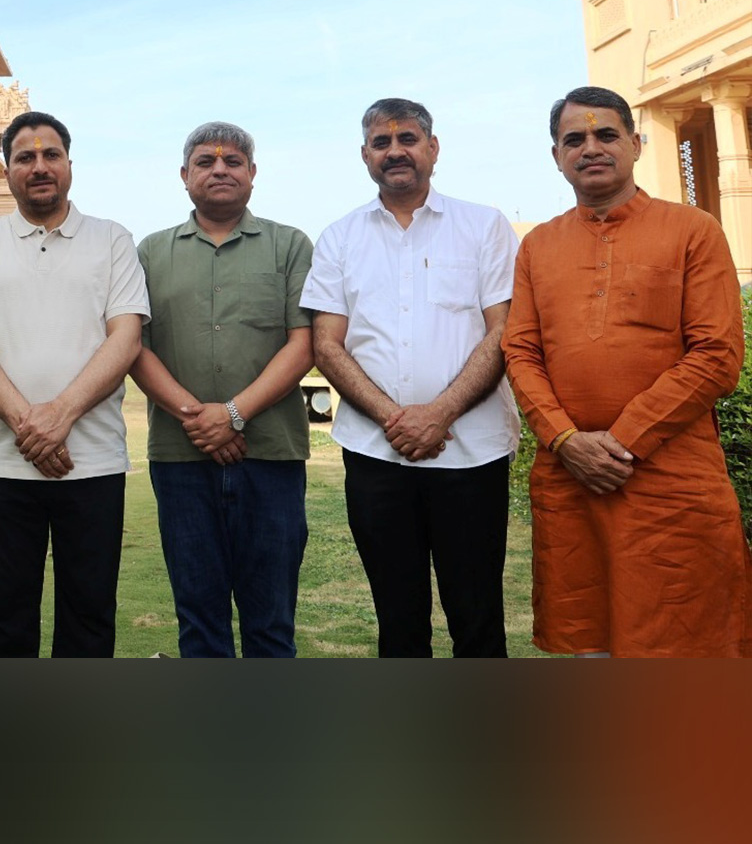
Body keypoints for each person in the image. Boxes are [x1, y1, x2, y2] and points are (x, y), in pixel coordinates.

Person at [503, 86, 752, 657]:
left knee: (685, 644)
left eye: (606, 134)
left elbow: (716, 356)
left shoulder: (693, 231)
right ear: (556, 156)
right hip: (570, 481)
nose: (590, 147)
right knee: (586, 643)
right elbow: (520, 350)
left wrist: (621, 443)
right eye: (574, 139)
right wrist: (566, 441)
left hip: (670, 480)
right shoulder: (537, 246)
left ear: (636, 145)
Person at [300, 98, 519, 658]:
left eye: (407, 139)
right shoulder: (340, 237)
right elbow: (327, 343)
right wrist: (394, 420)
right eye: (381, 142)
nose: (394, 151)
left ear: (433, 148)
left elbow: (503, 332)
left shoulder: (484, 225)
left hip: (471, 453)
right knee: (398, 618)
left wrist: (438, 414)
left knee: (477, 616)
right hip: (376, 454)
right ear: (365, 156)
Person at [0, 111, 149, 657]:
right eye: (25, 157)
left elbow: (125, 338)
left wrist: (61, 413)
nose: (39, 167)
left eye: (50, 155)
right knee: (7, 615)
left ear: (69, 165)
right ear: (7, 170)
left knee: (88, 613)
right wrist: (27, 423)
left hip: (94, 461)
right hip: (4, 461)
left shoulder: (111, 239)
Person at [130, 122, 315, 657]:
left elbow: (302, 344)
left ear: (252, 175)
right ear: (184, 176)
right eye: (206, 163)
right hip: (181, 459)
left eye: (233, 161)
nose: (220, 170)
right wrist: (202, 419)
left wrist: (233, 413)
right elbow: (135, 348)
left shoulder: (288, 245)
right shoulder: (151, 252)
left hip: (271, 457)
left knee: (271, 620)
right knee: (199, 619)